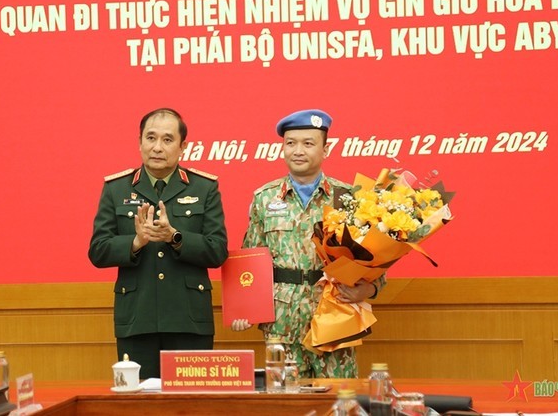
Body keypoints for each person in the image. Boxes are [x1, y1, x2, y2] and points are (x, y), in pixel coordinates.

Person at [232, 109, 385, 378]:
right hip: (281, 322)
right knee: (285, 403)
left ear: (326, 150)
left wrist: (369, 290)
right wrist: (244, 308)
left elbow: (376, 258)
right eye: (290, 143)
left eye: (308, 143)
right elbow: (250, 259)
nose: (297, 151)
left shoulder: (348, 198)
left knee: (339, 400)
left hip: (335, 317)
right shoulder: (264, 199)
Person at [89, 108, 228, 379]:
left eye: (167, 140)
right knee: (138, 404)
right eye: (150, 138)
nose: (157, 147)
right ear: (139, 142)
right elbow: (98, 250)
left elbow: (217, 250)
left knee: (192, 404)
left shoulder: (204, 187)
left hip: (188, 320)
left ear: (182, 147)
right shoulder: (116, 188)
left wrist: (175, 237)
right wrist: (136, 242)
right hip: (136, 319)